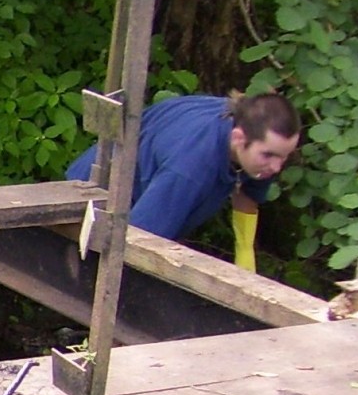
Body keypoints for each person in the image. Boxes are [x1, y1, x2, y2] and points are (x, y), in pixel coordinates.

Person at [65, 91, 300, 272]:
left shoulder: (248, 129)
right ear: (239, 138)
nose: (277, 167)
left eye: (284, 156)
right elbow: (135, 242)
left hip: (151, 200)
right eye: (269, 155)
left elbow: (248, 191)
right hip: (90, 202)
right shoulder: (190, 170)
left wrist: (245, 257)